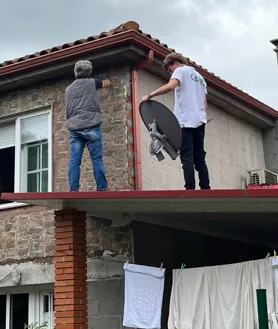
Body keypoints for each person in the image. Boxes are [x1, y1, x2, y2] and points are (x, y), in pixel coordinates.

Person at [142, 52, 210, 190]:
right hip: (200, 120)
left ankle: (190, 188)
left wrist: (150, 95)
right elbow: (205, 105)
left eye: (170, 69)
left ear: (173, 62)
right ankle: (206, 188)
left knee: (186, 155)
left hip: (185, 120)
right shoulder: (200, 78)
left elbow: (170, 86)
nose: (171, 72)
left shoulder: (180, 70)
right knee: (199, 157)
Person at [65, 60, 111, 192]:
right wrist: (107, 79)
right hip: (92, 125)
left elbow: (68, 110)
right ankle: (102, 189)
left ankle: (73, 190)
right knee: (97, 159)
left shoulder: (68, 89)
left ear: (75, 72)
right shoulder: (93, 82)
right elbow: (105, 84)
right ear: (89, 72)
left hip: (75, 128)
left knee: (75, 161)